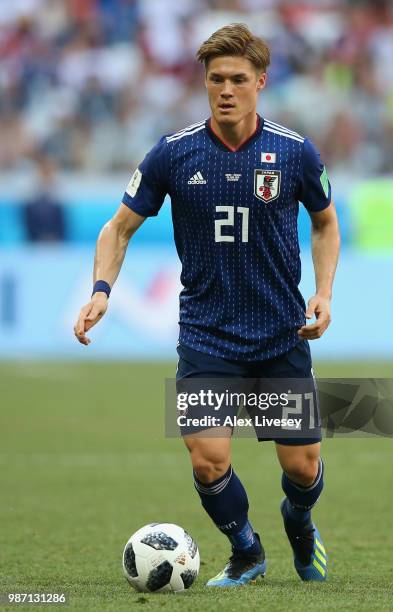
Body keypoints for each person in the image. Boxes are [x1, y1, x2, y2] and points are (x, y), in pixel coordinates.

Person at [74, 23, 340, 586]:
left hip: (280, 333)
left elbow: (324, 222)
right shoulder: (174, 153)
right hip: (206, 334)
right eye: (215, 78)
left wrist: (323, 291)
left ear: (261, 81)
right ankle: (247, 550)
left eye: (238, 79)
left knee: (303, 466)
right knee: (208, 460)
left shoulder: (294, 152)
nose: (225, 89)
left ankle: (300, 522)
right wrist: (101, 291)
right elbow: (118, 229)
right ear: (204, 81)